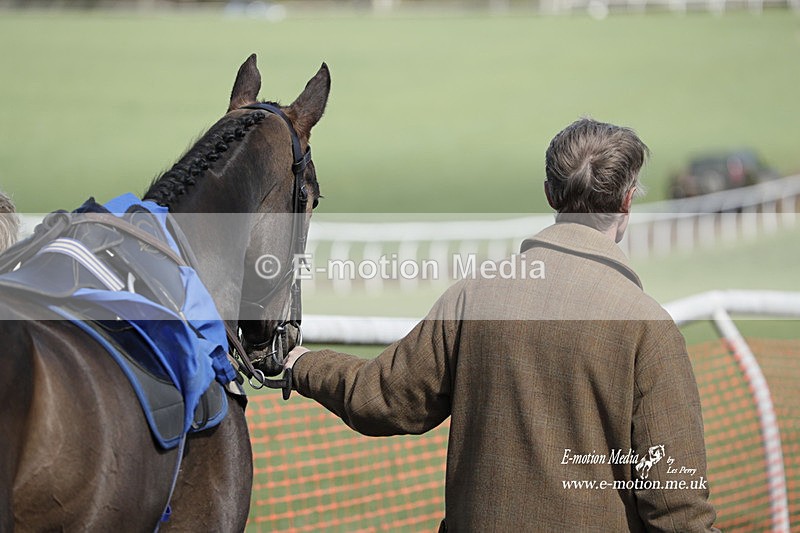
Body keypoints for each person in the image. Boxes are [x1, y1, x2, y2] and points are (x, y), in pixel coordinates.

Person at [285, 118, 718, 532]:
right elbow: (676, 508)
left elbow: (384, 399)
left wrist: (300, 364)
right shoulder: (648, 327)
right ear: (626, 200)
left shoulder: (474, 296)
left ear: (550, 193)